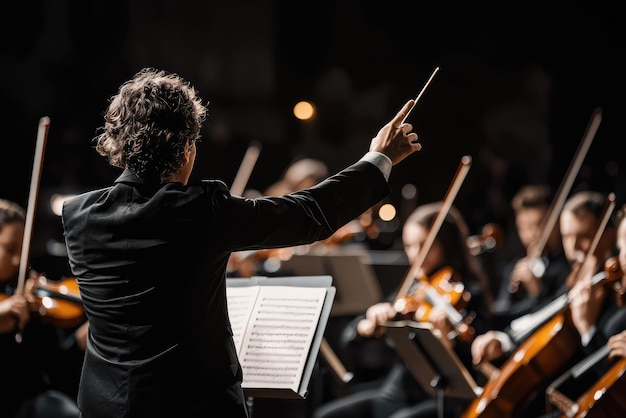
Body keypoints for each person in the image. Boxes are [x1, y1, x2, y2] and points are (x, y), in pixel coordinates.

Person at [60, 67, 422, 418]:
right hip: (192, 407)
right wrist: (380, 159)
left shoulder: (78, 215)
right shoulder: (198, 209)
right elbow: (308, 213)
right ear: (185, 148)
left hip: (103, 404)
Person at [312, 201, 494, 418]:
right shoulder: (413, 288)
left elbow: (478, 359)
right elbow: (348, 339)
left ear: (446, 244)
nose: (416, 255)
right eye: (409, 246)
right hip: (395, 392)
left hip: (441, 399)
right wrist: (367, 324)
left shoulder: (469, 293)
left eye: (425, 245)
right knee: (325, 415)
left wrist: (447, 342)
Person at [468, 190, 618, 418]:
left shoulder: (612, 294)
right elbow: (542, 316)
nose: (575, 247)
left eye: (584, 236)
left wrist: (587, 329)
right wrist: (504, 339)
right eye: (568, 236)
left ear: (607, 236)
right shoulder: (573, 281)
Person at [0, 198, 87, 418]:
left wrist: (79, 341)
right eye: (10, 249)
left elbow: (52, 369)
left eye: (22, 250)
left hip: (27, 400)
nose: (19, 259)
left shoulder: (29, 298)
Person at [491, 185, 571, 329]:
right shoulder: (514, 267)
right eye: (525, 227)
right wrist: (513, 293)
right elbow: (500, 316)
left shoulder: (567, 267)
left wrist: (537, 292)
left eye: (539, 224)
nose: (533, 234)